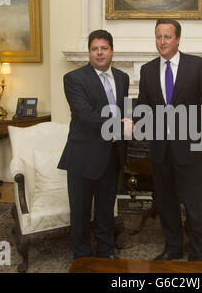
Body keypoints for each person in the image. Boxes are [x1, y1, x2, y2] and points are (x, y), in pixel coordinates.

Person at [136, 19, 202, 261]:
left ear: (178, 39)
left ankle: (198, 253)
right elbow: (144, 106)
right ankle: (173, 247)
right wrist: (135, 125)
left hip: (192, 148)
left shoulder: (197, 65)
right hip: (161, 150)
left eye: (167, 37)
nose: (162, 41)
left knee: (193, 205)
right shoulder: (147, 70)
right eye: (158, 37)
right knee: (167, 203)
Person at [58, 30, 130, 259]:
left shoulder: (122, 78)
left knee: (106, 210)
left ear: (112, 50)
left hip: (112, 156)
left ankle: (105, 252)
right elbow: (84, 114)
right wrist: (120, 122)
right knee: (80, 212)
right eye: (94, 49)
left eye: (104, 48)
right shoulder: (74, 79)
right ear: (89, 52)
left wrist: (132, 121)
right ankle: (82, 257)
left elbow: (125, 110)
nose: (99, 53)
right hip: (83, 156)